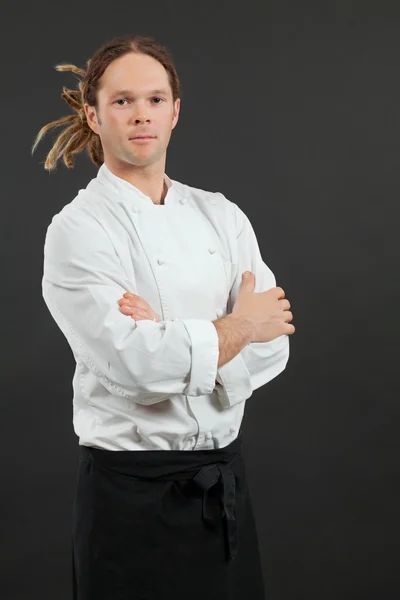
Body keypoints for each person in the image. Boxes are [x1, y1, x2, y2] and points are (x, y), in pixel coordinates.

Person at [32, 34, 295, 600]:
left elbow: (276, 345)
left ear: (175, 110)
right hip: (130, 500)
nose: (141, 115)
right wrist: (238, 326)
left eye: (154, 99)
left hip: (222, 487)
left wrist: (175, 339)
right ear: (93, 113)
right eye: (122, 101)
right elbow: (135, 367)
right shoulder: (78, 229)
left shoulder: (221, 215)